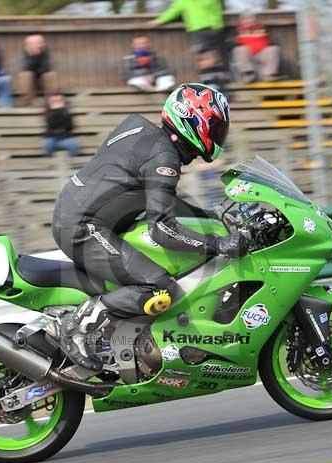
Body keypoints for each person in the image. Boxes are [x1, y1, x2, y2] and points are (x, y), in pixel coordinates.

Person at [51, 83, 247, 370]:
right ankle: (75, 327)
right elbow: (162, 228)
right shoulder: (164, 157)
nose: (218, 136)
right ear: (193, 121)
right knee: (158, 287)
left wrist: (211, 216)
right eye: (215, 129)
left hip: (80, 215)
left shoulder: (140, 130)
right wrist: (219, 244)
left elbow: (161, 197)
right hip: (82, 227)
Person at [151, 0, 225, 58]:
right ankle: (218, 74)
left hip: (199, 30)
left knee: (203, 56)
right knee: (217, 55)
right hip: (216, 29)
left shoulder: (184, 1)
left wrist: (159, 21)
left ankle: (208, 75)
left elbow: (173, 12)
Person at [233, 12, 281, 83]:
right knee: (240, 49)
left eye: (251, 18)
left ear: (255, 19)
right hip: (247, 56)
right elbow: (231, 45)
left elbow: (270, 41)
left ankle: (269, 75)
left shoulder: (263, 28)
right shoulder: (236, 31)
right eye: (246, 19)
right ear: (241, 21)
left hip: (261, 54)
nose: (249, 20)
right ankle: (248, 74)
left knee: (274, 49)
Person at [17, 34, 57, 106]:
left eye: (38, 42)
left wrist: (38, 54)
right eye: (32, 43)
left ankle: (51, 102)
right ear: (28, 45)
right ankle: (26, 103)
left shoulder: (45, 52)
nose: (35, 45)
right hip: (30, 84)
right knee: (25, 74)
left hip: (43, 82)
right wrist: (32, 56)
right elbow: (26, 68)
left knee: (50, 75)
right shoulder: (26, 53)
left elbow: (46, 68)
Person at [43, 94, 80, 158]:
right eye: (54, 101)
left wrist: (63, 111)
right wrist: (54, 111)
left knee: (73, 144)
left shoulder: (67, 112)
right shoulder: (47, 113)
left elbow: (70, 126)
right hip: (52, 138)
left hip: (66, 138)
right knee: (47, 144)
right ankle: (50, 164)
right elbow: (51, 125)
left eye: (59, 100)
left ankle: (74, 165)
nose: (57, 102)